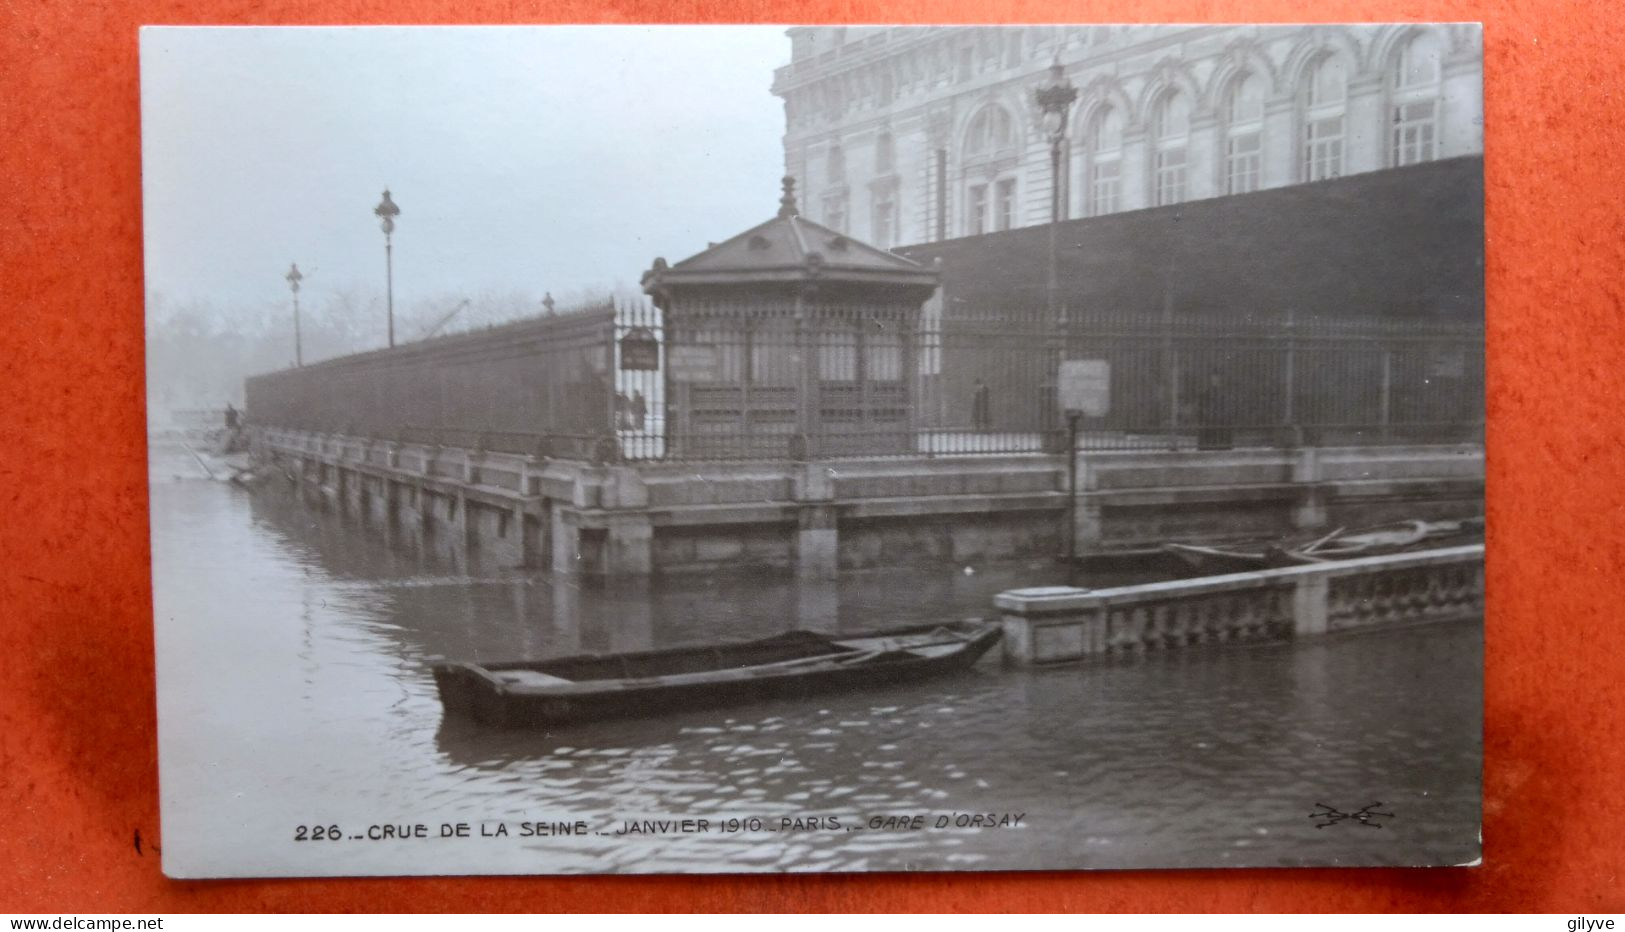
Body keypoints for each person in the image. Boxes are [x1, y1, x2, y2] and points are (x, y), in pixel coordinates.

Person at [1196, 372, 1233, 450]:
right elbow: (1201, 408)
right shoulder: (1205, 394)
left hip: (1220, 421)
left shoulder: (1224, 395)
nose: (1215, 381)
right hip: (1209, 421)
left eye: (1217, 379)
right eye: (1213, 379)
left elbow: (1227, 408)